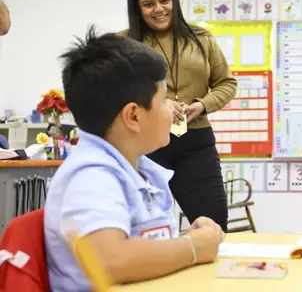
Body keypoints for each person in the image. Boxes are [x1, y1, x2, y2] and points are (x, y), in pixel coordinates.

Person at [44, 29, 224, 291]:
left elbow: (141, 246)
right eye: (164, 102)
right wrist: (193, 247)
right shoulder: (91, 176)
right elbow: (109, 260)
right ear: (134, 116)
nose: (172, 112)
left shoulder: (142, 170)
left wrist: (190, 237)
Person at [119, 0, 237, 231]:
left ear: (174, 0)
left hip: (195, 143)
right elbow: (113, 91)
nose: (158, 9)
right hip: (144, 147)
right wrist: (156, 104)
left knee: (214, 224)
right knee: (144, 227)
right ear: (137, 8)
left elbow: (227, 83)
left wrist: (203, 104)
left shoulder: (201, 38)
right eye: (148, 4)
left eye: (164, 0)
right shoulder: (124, 43)